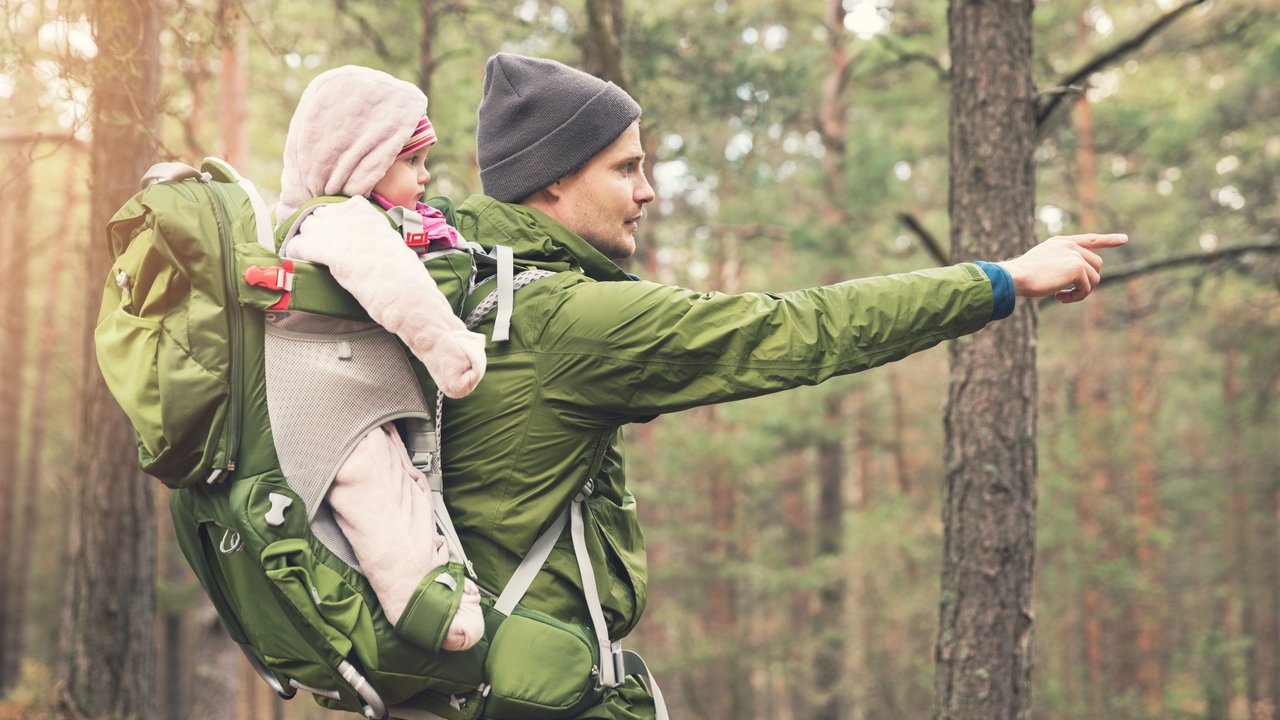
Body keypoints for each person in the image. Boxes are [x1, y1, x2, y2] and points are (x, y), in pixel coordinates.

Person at [273, 65, 486, 653]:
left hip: (351, 387)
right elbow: (397, 287)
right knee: (378, 494)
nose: (424, 179)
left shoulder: (366, 222)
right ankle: (428, 607)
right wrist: (452, 350)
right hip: (329, 402)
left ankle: (436, 589)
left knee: (400, 486)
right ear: (360, 161)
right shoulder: (340, 220)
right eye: (410, 162)